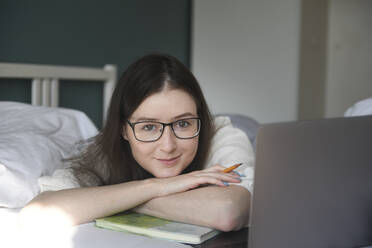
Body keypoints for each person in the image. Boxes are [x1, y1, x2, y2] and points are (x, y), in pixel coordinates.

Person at [19, 54, 254, 232]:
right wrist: (154, 187)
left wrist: (121, 201)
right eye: (149, 127)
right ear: (123, 129)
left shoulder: (221, 135)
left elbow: (227, 211)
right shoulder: (105, 153)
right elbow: (37, 213)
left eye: (183, 124)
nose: (168, 145)